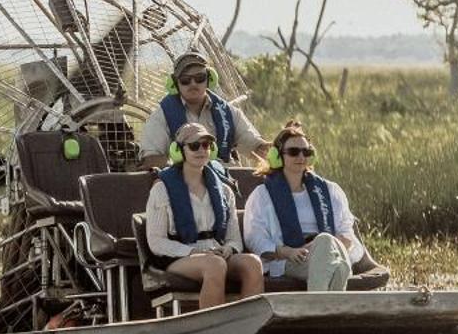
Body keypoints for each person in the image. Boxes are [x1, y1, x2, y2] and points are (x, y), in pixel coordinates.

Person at [143, 121, 264, 311]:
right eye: (194, 146)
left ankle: (247, 325)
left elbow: (234, 239)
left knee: (252, 263)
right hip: (178, 258)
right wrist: (193, 252)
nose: (201, 150)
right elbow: (156, 242)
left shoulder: (224, 191)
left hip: (215, 254)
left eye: (206, 145)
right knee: (214, 265)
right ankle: (214, 330)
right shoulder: (161, 189)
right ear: (179, 151)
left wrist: (229, 249)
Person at [242, 119, 366, 291]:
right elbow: (255, 238)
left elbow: (347, 234)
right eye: (293, 152)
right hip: (290, 259)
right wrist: (287, 252)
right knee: (339, 266)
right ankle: (326, 312)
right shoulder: (262, 196)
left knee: (332, 254)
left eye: (305, 151)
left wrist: (329, 244)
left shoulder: (330, 191)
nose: (300, 157)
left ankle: (318, 310)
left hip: (331, 252)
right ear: (277, 157)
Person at [137, 50, 269, 169]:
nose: (193, 84)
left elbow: (257, 148)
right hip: (183, 184)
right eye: (185, 80)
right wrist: (189, 164)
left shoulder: (229, 113)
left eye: (199, 78)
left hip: (228, 179)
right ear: (174, 84)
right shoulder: (162, 116)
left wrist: (284, 146)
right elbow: (150, 159)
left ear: (210, 79)